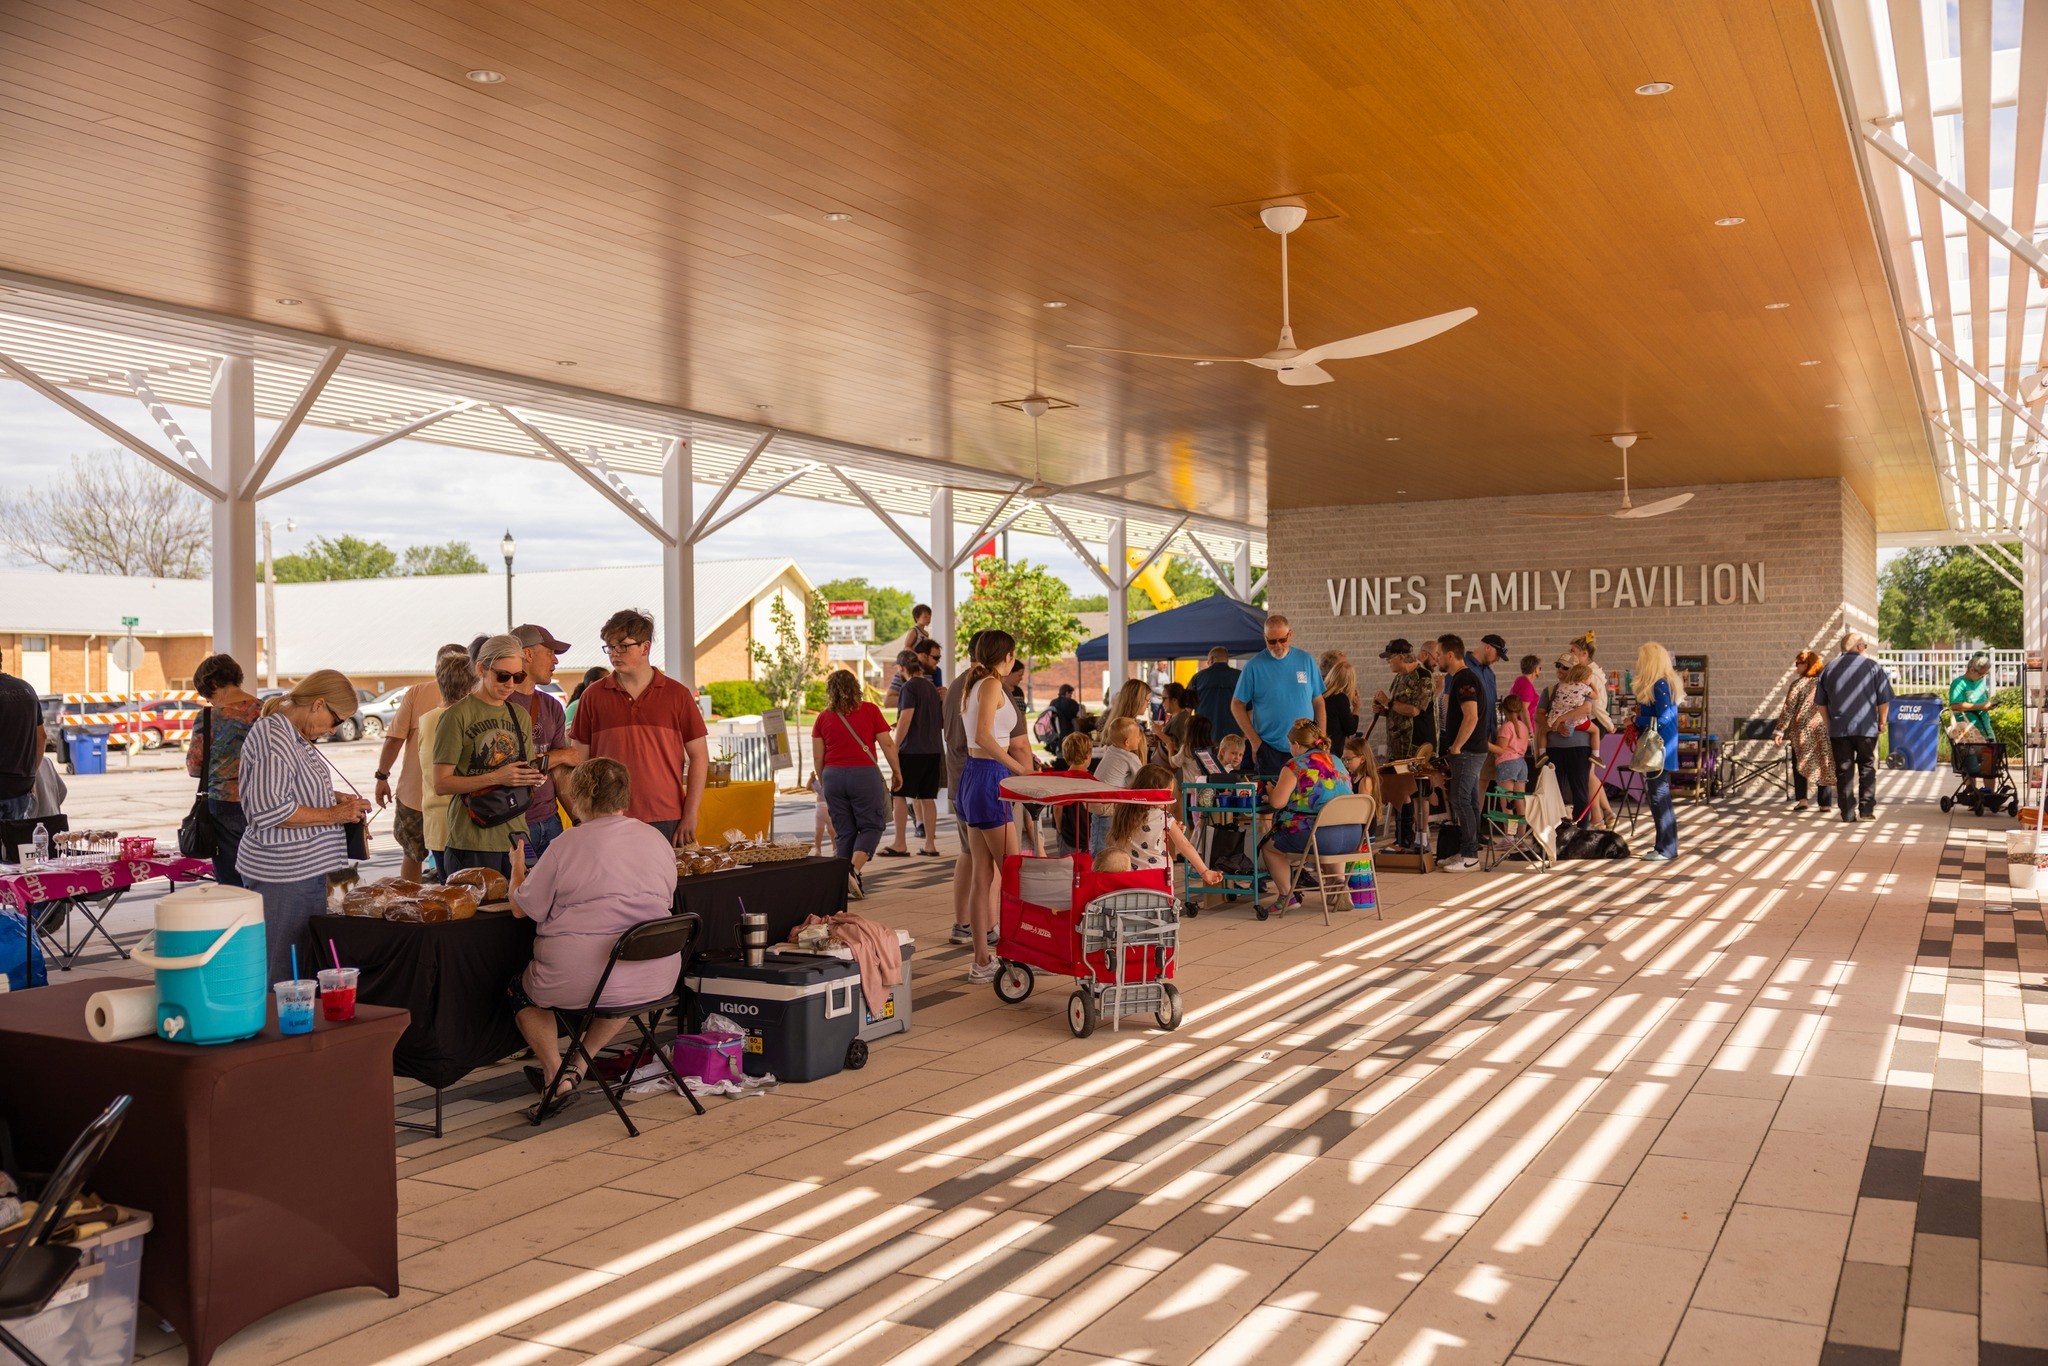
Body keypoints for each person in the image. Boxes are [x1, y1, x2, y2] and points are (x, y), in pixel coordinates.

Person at [509, 758, 681, 1118]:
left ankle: (555, 1073)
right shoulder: (656, 839)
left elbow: (525, 908)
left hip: (584, 975)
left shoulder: (566, 843)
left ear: (580, 796)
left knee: (520, 990)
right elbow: (664, 899)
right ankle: (578, 1066)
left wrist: (517, 871)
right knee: (620, 984)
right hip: (655, 975)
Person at [236, 671, 372, 986]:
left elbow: (289, 788)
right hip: (284, 876)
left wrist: (334, 798)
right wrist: (335, 813)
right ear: (318, 704)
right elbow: (270, 808)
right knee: (284, 973)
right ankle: (277, 1019)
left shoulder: (293, 734)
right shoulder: (275, 738)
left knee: (299, 969)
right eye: (336, 720)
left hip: (301, 873)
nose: (334, 729)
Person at [568, 609, 709, 845]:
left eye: (623, 646)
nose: (614, 653)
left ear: (645, 647)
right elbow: (579, 760)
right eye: (610, 647)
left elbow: (700, 757)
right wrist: (583, 813)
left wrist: (691, 813)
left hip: (665, 815)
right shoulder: (592, 696)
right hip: (606, 815)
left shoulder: (678, 695)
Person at [942, 629, 1028, 946]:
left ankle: (982, 958)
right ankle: (1020, 947)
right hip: (989, 776)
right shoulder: (991, 684)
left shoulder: (974, 683)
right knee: (1014, 875)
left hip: (973, 776)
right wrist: (1020, 769)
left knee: (983, 875)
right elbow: (983, 735)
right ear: (1008, 656)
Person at [434, 634, 544, 878]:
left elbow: (522, 769)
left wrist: (532, 777)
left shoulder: (519, 715)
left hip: (515, 837)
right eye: (502, 676)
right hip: (472, 841)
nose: (510, 684)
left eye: (518, 676)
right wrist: (497, 777)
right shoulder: (456, 716)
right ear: (481, 669)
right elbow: (441, 784)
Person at [373, 644, 468, 882]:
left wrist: (382, 776)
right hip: (459, 800)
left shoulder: (417, 692)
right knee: (460, 865)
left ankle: (411, 901)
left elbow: (393, 740)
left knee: (412, 855)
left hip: (415, 796)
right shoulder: (476, 698)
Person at [1258, 720, 1360, 912]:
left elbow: (1277, 803)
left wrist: (1271, 791)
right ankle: (1339, 885)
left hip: (1320, 836)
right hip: (1352, 835)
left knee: (1269, 846)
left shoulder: (1295, 765)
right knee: (1332, 828)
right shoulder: (1337, 761)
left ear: (1297, 744)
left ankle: (1287, 896)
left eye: (1290, 744)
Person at [814, 668, 901, 892]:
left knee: (845, 831)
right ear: (856, 688)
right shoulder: (870, 710)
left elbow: (818, 757)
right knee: (872, 825)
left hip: (832, 776)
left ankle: (843, 883)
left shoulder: (822, 717)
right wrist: (897, 771)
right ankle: (852, 870)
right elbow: (887, 744)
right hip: (863, 775)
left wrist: (824, 782)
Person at [185, 653, 263, 887]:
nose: (210, 701)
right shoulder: (267, 711)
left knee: (231, 879)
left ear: (213, 684)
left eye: (207, 695)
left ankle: (239, 911)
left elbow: (194, 766)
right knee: (263, 873)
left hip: (225, 804)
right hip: (266, 801)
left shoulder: (210, 716)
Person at [510, 623, 577, 864]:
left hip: (550, 821)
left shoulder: (552, 706)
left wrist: (577, 819)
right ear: (528, 654)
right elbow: (510, 771)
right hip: (512, 825)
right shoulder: (498, 704)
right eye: (549, 652)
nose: (555, 660)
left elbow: (559, 774)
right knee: (514, 886)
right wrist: (560, 756)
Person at [1232, 614, 1326, 778]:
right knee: (1273, 794)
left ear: (1290, 634)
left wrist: (1322, 739)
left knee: (1308, 793)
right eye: (1272, 641)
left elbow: (1318, 702)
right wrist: (1255, 742)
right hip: (1270, 750)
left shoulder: (1306, 661)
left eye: (1282, 640)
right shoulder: (1254, 666)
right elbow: (1236, 704)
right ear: (1264, 637)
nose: (1278, 645)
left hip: (1307, 747)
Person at [1815, 631, 1895, 823]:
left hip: (1839, 729)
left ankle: (1848, 813)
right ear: (1858, 646)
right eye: (1865, 645)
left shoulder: (1829, 668)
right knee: (1867, 766)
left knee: (1843, 769)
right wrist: (1882, 721)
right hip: (1866, 727)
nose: (1865, 649)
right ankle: (1866, 810)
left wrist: (1828, 723)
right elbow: (1884, 699)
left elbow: (1820, 703)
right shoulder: (1873, 667)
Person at [1097, 763, 1223, 883]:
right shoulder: (1163, 816)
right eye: (1167, 793)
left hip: (1130, 875)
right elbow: (1184, 845)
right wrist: (1204, 871)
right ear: (1156, 792)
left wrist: (1164, 834)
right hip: (1158, 876)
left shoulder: (1124, 811)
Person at [418, 651, 476, 875]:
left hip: (436, 822)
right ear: (471, 686)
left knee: (448, 888)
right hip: (466, 822)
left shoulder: (426, 720)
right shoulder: (466, 718)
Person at [1437, 633, 1490, 872]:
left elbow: (1471, 716)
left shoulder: (1464, 679)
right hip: (1470, 750)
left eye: (1439, 654)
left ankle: (1470, 856)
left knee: (1460, 799)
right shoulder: (1461, 678)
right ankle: (1467, 850)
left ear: (1450, 654)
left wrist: (1457, 746)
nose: (1437, 659)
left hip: (1468, 751)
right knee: (1469, 800)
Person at [882, 655, 945, 858]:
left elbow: (906, 719)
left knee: (899, 794)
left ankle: (900, 843)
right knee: (927, 797)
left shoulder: (908, 687)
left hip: (912, 751)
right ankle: (930, 845)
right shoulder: (931, 688)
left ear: (902, 667)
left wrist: (895, 746)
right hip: (933, 750)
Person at [1629, 643, 1685, 860]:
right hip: (1662, 747)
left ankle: (1666, 848)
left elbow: (1664, 717)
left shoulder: (1660, 684)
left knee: (1658, 797)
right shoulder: (1664, 683)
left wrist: (1637, 720)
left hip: (1659, 749)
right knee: (1659, 796)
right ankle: (1664, 846)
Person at [1774, 650, 1835, 811]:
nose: (1796, 667)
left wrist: (1780, 731)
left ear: (1808, 665)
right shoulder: (1825, 684)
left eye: (1798, 663)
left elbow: (1788, 709)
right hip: (1822, 729)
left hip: (1801, 731)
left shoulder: (1798, 685)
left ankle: (1802, 801)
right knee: (1824, 763)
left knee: (1799, 763)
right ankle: (1825, 804)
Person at [1540, 656, 1593, 827]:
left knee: (1580, 790)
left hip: (1579, 745)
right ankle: (1555, 829)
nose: (1560, 670)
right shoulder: (1550, 690)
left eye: (1565, 667)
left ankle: (1582, 829)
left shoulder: (1583, 688)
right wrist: (1556, 726)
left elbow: (1586, 708)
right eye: (1558, 666)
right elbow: (1538, 715)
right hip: (1555, 746)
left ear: (1575, 671)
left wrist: (1561, 720)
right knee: (1553, 790)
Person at [1089, 716, 1148, 854]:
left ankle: (1102, 858)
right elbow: (1142, 778)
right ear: (1127, 742)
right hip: (1107, 803)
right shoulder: (1130, 757)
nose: (1139, 740)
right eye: (1137, 737)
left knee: (1099, 835)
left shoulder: (1110, 750)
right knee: (1104, 844)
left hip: (1096, 800)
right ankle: (1102, 862)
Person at [1947, 652, 1997, 796]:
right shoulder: (1959, 683)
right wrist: (1981, 706)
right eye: (1981, 674)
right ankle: (1972, 796)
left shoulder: (1980, 682)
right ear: (1972, 670)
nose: (1983, 677)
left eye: (1985, 674)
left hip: (1984, 726)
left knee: (1990, 762)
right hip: (1968, 731)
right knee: (1970, 763)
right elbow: (1955, 705)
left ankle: (1989, 796)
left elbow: (1983, 700)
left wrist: (1987, 706)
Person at [0, 659, 42, 823]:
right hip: (22, 785)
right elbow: (42, 736)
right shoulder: (27, 689)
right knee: (17, 837)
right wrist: (32, 774)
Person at [1488, 693, 1532, 831]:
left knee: (1508, 804)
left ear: (1503, 709)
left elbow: (1501, 750)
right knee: (1519, 803)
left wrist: (1485, 744)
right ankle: (1521, 837)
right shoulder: (1524, 726)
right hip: (1522, 764)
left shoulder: (1507, 727)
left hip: (1507, 764)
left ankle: (1510, 836)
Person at [1188, 646, 1242, 743]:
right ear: (1227, 660)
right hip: (1234, 734)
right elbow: (1250, 708)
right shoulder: (1240, 676)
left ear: (1211, 659)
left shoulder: (1197, 678)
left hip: (1204, 734)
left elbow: (1187, 709)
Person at [1322, 656, 1361, 754]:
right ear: (1349, 682)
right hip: (1332, 750)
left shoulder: (1321, 694)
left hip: (1318, 747)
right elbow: (1351, 729)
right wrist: (1356, 708)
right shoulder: (1340, 698)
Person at [1509, 655, 1543, 735]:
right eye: (1539, 668)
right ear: (1535, 669)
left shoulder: (1520, 680)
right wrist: (1529, 730)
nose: (1540, 670)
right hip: (1523, 728)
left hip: (1518, 725)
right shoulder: (1526, 685)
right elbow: (1523, 709)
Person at [1045, 683, 1083, 750]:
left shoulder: (1053, 702)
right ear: (1067, 693)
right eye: (1071, 694)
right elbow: (1079, 715)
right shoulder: (1071, 702)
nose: (1071, 696)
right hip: (1068, 734)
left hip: (1055, 735)